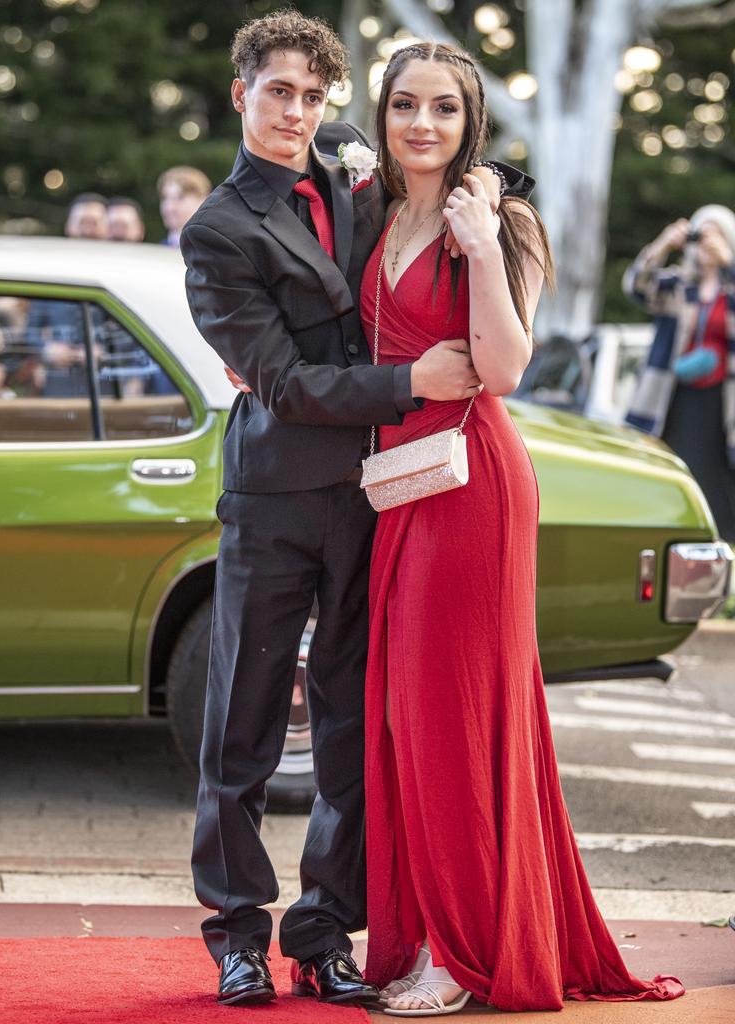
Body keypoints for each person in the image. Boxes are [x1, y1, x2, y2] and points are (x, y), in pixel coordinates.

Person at [180, 9, 532, 1008]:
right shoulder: (215, 229)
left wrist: (491, 187)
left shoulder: (353, 184)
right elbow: (283, 381)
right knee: (241, 735)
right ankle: (237, 934)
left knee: (351, 734)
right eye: (276, 90)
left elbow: (454, 176)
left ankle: (325, 929)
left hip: (380, 502)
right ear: (242, 92)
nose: (294, 110)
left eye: (310, 94)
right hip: (272, 499)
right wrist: (412, 380)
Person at [360, 42, 685, 1015]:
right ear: (384, 115)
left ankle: (462, 956)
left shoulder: (504, 220)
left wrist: (484, 241)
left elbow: (504, 367)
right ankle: (435, 931)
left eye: (445, 109)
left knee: (449, 714)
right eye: (406, 105)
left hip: (473, 484)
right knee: (406, 716)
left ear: (472, 125)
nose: (423, 125)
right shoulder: (376, 216)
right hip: (398, 478)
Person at [624, 206, 735, 541]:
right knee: (672, 462)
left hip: (721, 400)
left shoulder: (730, 290)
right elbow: (637, 287)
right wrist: (663, 244)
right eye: (702, 234)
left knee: (716, 472)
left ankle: (718, 541)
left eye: (716, 233)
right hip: (673, 394)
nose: (707, 243)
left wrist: (729, 264)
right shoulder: (678, 284)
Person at [158, 166, 211, 246]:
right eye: (165, 198)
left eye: (180, 198)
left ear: (203, 200)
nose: (169, 207)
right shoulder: (154, 253)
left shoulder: (215, 250)